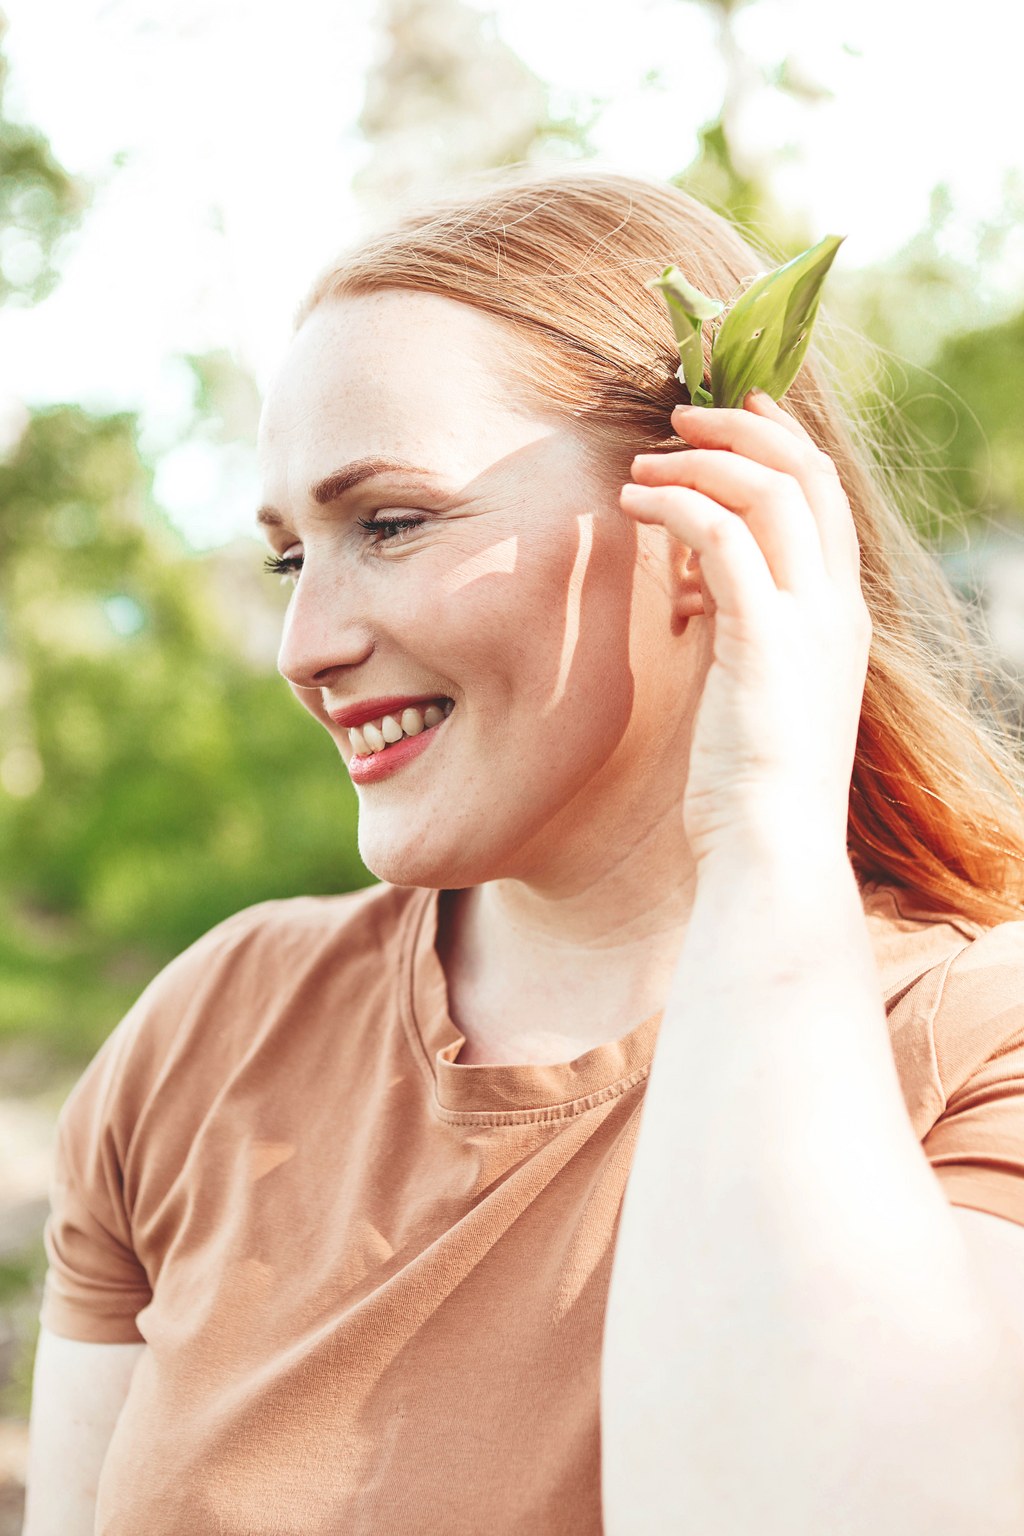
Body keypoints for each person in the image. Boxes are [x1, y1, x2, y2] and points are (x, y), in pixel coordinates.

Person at [22, 166, 1024, 1536]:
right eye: (290, 558)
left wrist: (765, 817)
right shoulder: (216, 1025)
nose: (303, 649)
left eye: (390, 524)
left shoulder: (976, 1055)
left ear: (705, 524)